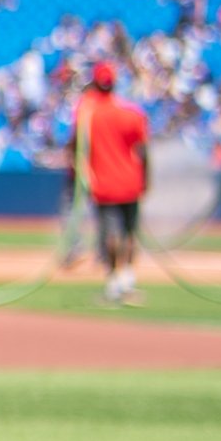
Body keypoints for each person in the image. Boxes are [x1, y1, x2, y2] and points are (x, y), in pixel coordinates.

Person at [74, 58, 150, 306]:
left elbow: (76, 149)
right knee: (128, 232)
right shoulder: (131, 114)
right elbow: (143, 151)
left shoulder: (88, 115)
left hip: (103, 183)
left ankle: (115, 280)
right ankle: (127, 278)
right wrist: (146, 179)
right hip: (130, 181)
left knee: (110, 234)